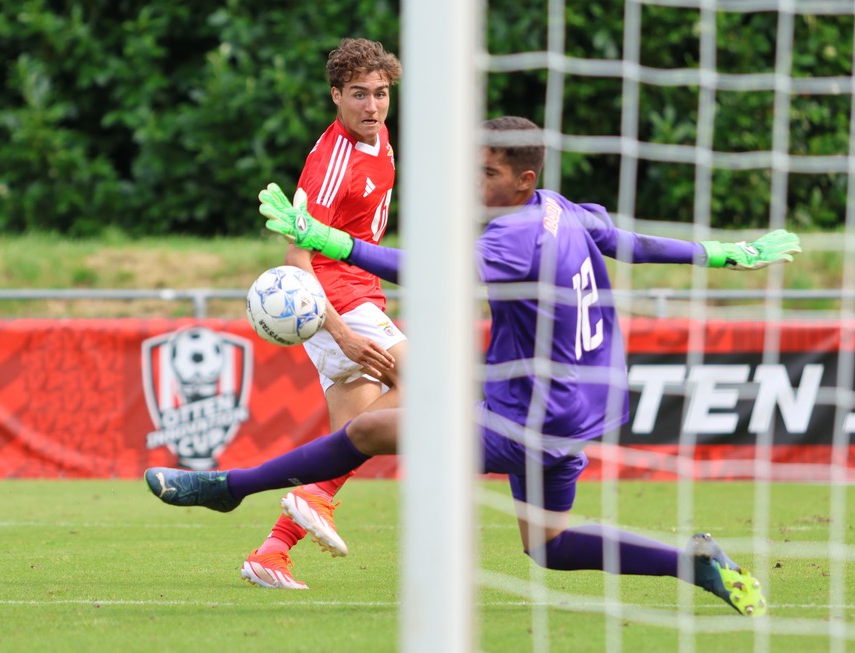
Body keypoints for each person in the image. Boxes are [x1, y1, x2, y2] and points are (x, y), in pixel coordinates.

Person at [146, 116, 801, 615]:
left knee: (370, 431)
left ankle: (229, 490)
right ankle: (692, 561)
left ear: (521, 180)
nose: (472, 183)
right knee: (549, 546)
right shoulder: (560, 210)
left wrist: (329, 241)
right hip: (577, 410)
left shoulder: (512, 235)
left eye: (484, 172)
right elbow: (633, 243)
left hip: (531, 413)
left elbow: (426, 273)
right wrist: (724, 253)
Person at [240, 38, 407, 590]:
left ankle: (273, 551)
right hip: (335, 301)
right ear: (336, 96)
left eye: (380, 93)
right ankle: (316, 497)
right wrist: (343, 334)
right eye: (358, 94)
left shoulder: (381, 141)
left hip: (362, 296)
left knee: (353, 438)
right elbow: (296, 258)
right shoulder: (330, 162)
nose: (372, 106)